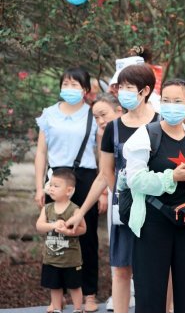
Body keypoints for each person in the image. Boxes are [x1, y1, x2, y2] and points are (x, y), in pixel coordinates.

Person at [67, 65, 158, 312]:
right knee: (121, 269)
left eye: (130, 87)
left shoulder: (161, 122)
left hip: (158, 208)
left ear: (145, 90)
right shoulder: (114, 128)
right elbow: (104, 175)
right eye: (121, 87)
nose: (123, 92)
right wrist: (80, 212)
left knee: (159, 269)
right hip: (125, 209)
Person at [121, 78, 185, 313]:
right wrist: (172, 177)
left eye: (177, 101)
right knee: (150, 292)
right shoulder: (145, 135)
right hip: (153, 222)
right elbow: (135, 179)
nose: (171, 106)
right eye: (166, 100)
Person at [35, 67, 100, 312]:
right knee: (55, 236)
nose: (69, 89)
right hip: (56, 177)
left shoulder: (93, 115)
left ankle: (90, 293)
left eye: (75, 85)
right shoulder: (49, 114)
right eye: (66, 84)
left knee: (87, 234)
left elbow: (101, 153)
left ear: (85, 90)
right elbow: (41, 152)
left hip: (85, 177)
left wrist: (101, 191)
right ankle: (57, 295)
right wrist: (39, 186)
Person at [37, 169, 87, 314]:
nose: (51, 188)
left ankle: (78, 309)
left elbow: (83, 228)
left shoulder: (74, 210)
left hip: (71, 259)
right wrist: (53, 225)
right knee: (55, 286)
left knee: (75, 286)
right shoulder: (47, 209)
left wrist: (68, 231)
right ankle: (57, 308)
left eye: (56, 186)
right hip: (51, 258)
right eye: (50, 185)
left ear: (68, 190)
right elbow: (39, 226)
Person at [90, 93, 123, 311]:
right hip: (117, 195)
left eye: (103, 115)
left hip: (140, 195)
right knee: (117, 248)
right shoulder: (104, 133)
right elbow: (104, 172)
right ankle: (120, 295)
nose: (100, 121)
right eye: (96, 117)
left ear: (118, 109)